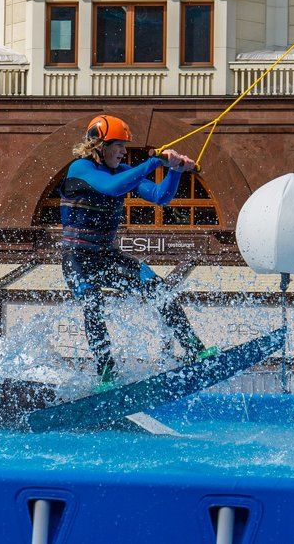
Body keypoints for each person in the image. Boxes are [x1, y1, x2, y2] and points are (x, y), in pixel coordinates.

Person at [60, 115, 215, 389]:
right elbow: (111, 188)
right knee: (93, 304)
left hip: (107, 257)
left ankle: (194, 348)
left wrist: (175, 170)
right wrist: (155, 162)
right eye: (119, 146)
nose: (123, 151)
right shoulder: (80, 168)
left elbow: (159, 197)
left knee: (158, 289)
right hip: (78, 259)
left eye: (125, 147)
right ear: (100, 146)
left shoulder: (122, 170)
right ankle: (106, 375)